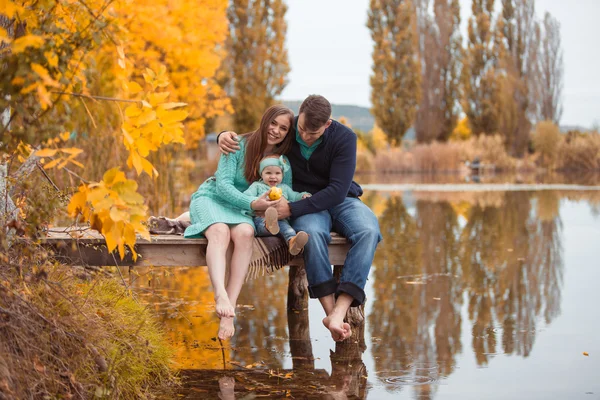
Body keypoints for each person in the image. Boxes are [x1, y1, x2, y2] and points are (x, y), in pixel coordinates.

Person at [218, 95, 382, 342]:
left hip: (339, 199)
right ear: (298, 116)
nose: (304, 136)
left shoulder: (345, 138)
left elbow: (337, 190)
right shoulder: (289, 128)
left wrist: (292, 210)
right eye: (302, 129)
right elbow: (259, 134)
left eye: (312, 133)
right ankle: (330, 314)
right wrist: (223, 134)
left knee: (369, 230)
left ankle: (340, 309)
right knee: (313, 235)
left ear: (327, 125)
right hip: (303, 202)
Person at [184, 104, 295, 340]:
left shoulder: (280, 160)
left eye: (283, 128)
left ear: (288, 133)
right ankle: (220, 295)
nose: (276, 130)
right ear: (265, 120)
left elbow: (286, 191)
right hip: (213, 197)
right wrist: (254, 204)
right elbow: (223, 186)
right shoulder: (236, 144)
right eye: (273, 123)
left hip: (241, 209)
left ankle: (229, 310)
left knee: (245, 233)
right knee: (220, 232)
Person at [243, 154, 311, 255]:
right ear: (261, 174)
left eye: (277, 173)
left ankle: (293, 242)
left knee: (288, 229)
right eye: (268, 173)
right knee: (263, 224)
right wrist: (257, 202)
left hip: (280, 220)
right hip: (261, 218)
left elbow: (294, 196)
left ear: (282, 175)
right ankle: (269, 225)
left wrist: (302, 196)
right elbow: (246, 197)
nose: (273, 176)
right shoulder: (257, 186)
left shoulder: (284, 188)